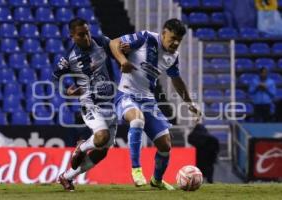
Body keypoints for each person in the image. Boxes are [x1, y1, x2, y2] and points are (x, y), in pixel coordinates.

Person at [109, 18, 201, 190]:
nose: (175, 43)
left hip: (148, 100)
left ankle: (156, 181)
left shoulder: (173, 56)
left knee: (166, 145)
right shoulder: (146, 38)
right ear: (163, 33)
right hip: (126, 95)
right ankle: (136, 170)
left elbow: (176, 79)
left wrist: (190, 103)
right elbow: (114, 43)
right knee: (137, 120)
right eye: (172, 38)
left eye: (178, 41)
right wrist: (123, 60)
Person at [53, 18, 118, 191]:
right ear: (72, 36)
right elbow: (54, 79)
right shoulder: (69, 58)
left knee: (102, 151)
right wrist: (67, 91)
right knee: (102, 137)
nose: (87, 37)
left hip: (110, 102)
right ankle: (81, 147)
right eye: (81, 35)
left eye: (87, 32)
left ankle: (66, 177)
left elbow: (117, 49)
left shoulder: (102, 41)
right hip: (89, 102)